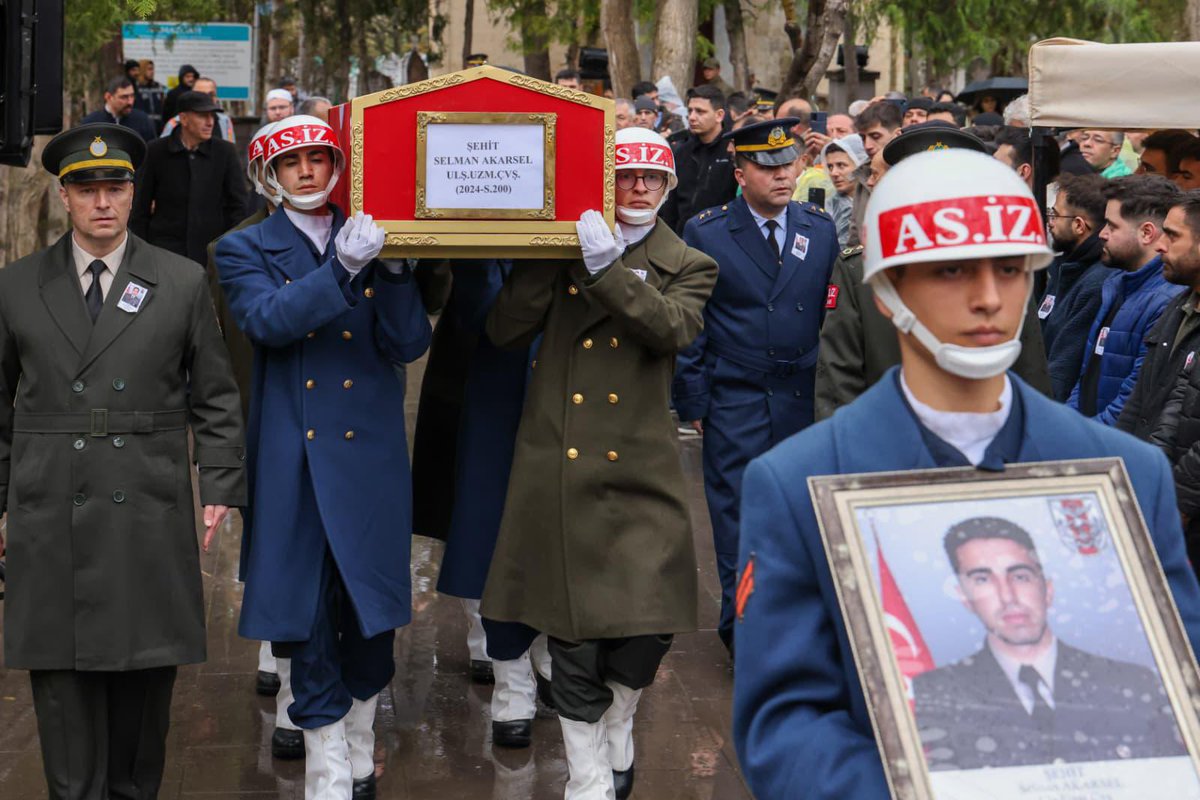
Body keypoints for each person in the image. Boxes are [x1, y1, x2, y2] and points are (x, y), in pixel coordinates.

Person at [732, 147, 1200, 799]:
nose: (988, 299)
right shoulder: (796, 483)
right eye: (951, 270)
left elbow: (1178, 682)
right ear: (889, 292)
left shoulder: (1127, 474)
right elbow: (784, 726)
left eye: (1010, 269)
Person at [0, 122, 246, 799]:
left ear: (136, 194)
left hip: (147, 499)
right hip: (50, 506)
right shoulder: (17, 286)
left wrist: (219, 482)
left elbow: (218, 394)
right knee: (61, 680)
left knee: (144, 683)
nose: (102, 202)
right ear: (65, 196)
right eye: (87, 189)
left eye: (115, 187)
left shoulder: (183, 281)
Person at [480, 126, 718, 800]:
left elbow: (671, 328)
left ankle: (619, 720)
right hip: (561, 463)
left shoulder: (692, 263)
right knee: (574, 633)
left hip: (641, 469)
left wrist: (608, 269)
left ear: (669, 187)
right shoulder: (567, 250)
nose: (637, 187)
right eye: (624, 176)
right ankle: (587, 775)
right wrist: (552, 253)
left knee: (648, 628)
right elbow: (503, 331)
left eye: (651, 177)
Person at [215, 114, 432, 798]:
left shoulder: (369, 232)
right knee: (305, 618)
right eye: (291, 163)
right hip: (293, 458)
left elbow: (407, 345)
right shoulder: (241, 247)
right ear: (268, 177)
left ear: (337, 166)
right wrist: (342, 268)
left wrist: (395, 270)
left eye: (317, 158)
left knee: (372, 617)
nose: (306, 171)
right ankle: (328, 769)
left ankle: (360, 736)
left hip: (368, 456)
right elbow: (268, 322)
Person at [673, 118, 838, 654]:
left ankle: (795, 629)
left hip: (801, 395)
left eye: (788, 164)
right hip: (736, 393)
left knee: (800, 514)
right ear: (740, 172)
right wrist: (694, 397)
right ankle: (742, 629)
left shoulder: (820, 227)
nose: (782, 176)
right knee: (736, 516)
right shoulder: (708, 230)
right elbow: (692, 321)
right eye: (767, 167)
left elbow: (827, 316)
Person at [815, 122, 1052, 421]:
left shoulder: (1004, 261)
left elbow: (1030, 370)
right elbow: (839, 379)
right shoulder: (858, 268)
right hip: (888, 442)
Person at [914, 517, 1184, 769]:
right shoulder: (935, 694)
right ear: (964, 596)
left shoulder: (1133, 684)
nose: (1007, 596)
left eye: (1019, 576)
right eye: (983, 579)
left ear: (1048, 588)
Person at [1067, 176, 1182, 425]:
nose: (1102, 234)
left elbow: (1130, 403)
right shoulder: (1117, 284)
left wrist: (1083, 438)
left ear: (1146, 233)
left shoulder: (1164, 301)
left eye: (1112, 226)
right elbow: (1087, 375)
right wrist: (1070, 424)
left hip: (1111, 449)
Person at [131, 91, 247, 266]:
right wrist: (141, 250)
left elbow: (239, 206)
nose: (210, 122)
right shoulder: (156, 152)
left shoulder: (225, 152)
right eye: (202, 116)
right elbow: (139, 206)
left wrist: (229, 247)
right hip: (164, 253)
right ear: (184, 119)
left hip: (212, 255)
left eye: (212, 116)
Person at [1039, 173, 1113, 401]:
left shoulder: (1096, 284)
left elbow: (1064, 367)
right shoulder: (1066, 266)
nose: (1050, 222)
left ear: (1079, 225)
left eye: (1055, 214)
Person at [659, 85, 737, 234]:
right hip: (682, 242)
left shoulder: (732, 151)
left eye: (700, 111)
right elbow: (671, 205)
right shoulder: (682, 152)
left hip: (720, 240)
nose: (692, 117)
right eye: (690, 111)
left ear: (719, 115)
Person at [821, 134, 867, 248]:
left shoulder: (874, 201)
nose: (834, 173)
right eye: (830, 167)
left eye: (841, 165)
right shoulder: (828, 207)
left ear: (859, 164)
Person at [160, 76, 237, 142]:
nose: (207, 99)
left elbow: (231, 149)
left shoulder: (224, 121)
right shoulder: (175, 123)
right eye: (201, 95)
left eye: (211, 95)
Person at [81, 76, 157, 142]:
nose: (130, 102)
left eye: (132, 96)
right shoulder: (91, 123)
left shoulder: (142, 120)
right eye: (124, 97)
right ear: (108, 97)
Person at [133, 59, 165, 132]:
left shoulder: (158, 86)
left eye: (153, 69)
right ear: (142, 70)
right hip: (142, 127)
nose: (152, 72)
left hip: (158, 127)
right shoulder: (136, 87)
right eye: (149, 69)